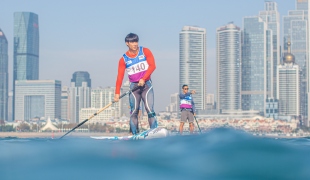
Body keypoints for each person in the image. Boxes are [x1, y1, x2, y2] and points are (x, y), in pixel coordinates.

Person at [114, 33, 157, 135]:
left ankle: (154, 132)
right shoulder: (123, 59)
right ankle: (134, 134)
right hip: (134, 87)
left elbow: (153, 66)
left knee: (150, 109)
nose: (135, 44)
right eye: (132, 42)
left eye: (136, 41)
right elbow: (119, 77)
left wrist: (144, 78)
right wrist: (116, 94)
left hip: (146, 85)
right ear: (127, 43)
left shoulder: (145, 51)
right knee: (134, 112)